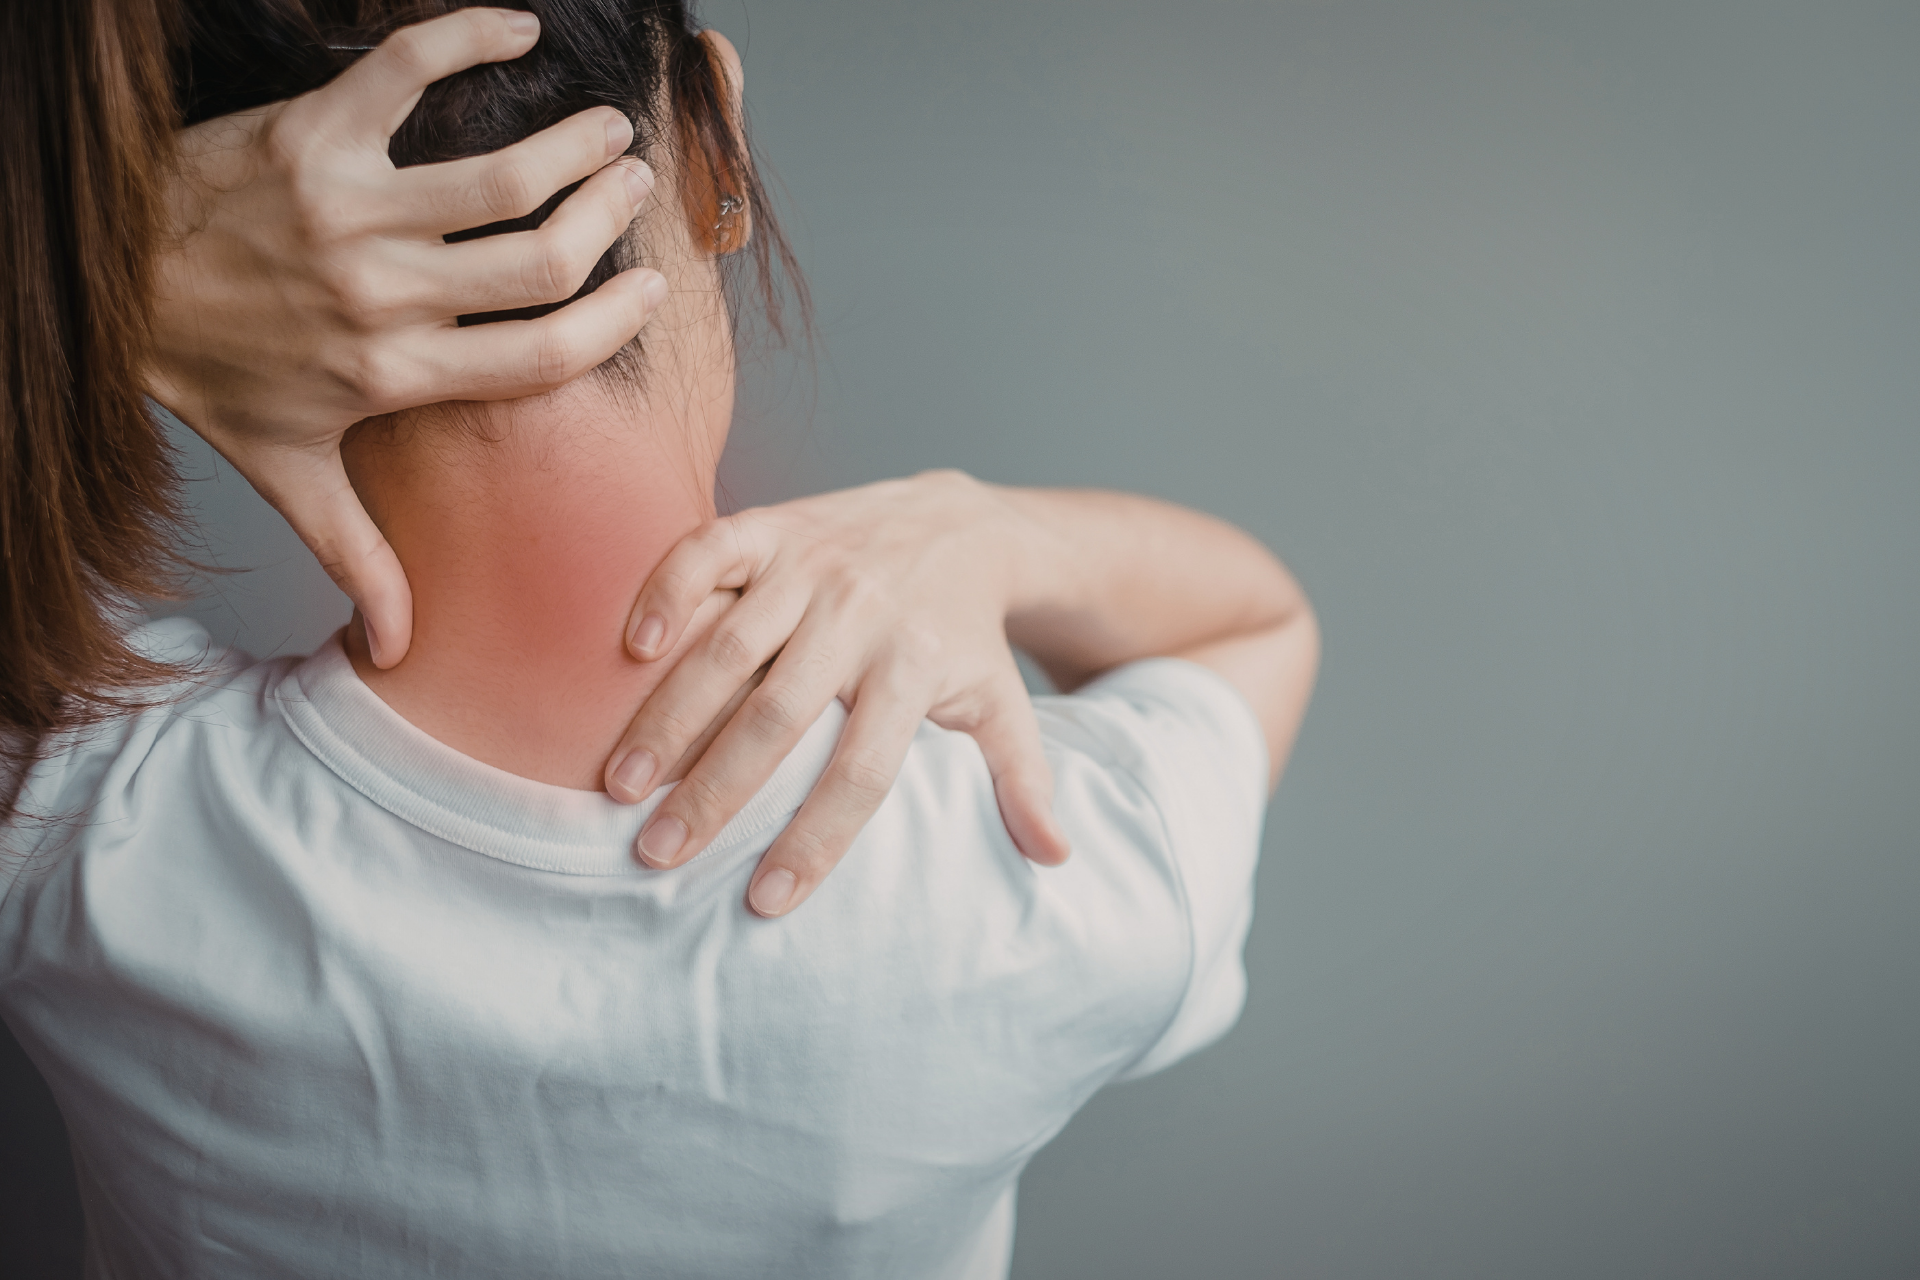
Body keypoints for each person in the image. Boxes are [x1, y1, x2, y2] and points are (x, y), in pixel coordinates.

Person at [2, 2, 1318, 1276]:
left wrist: (100, 276)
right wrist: (993, 534)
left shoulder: (69, 824)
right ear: (714, 151)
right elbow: (1256, 623)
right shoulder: (1038, 880)